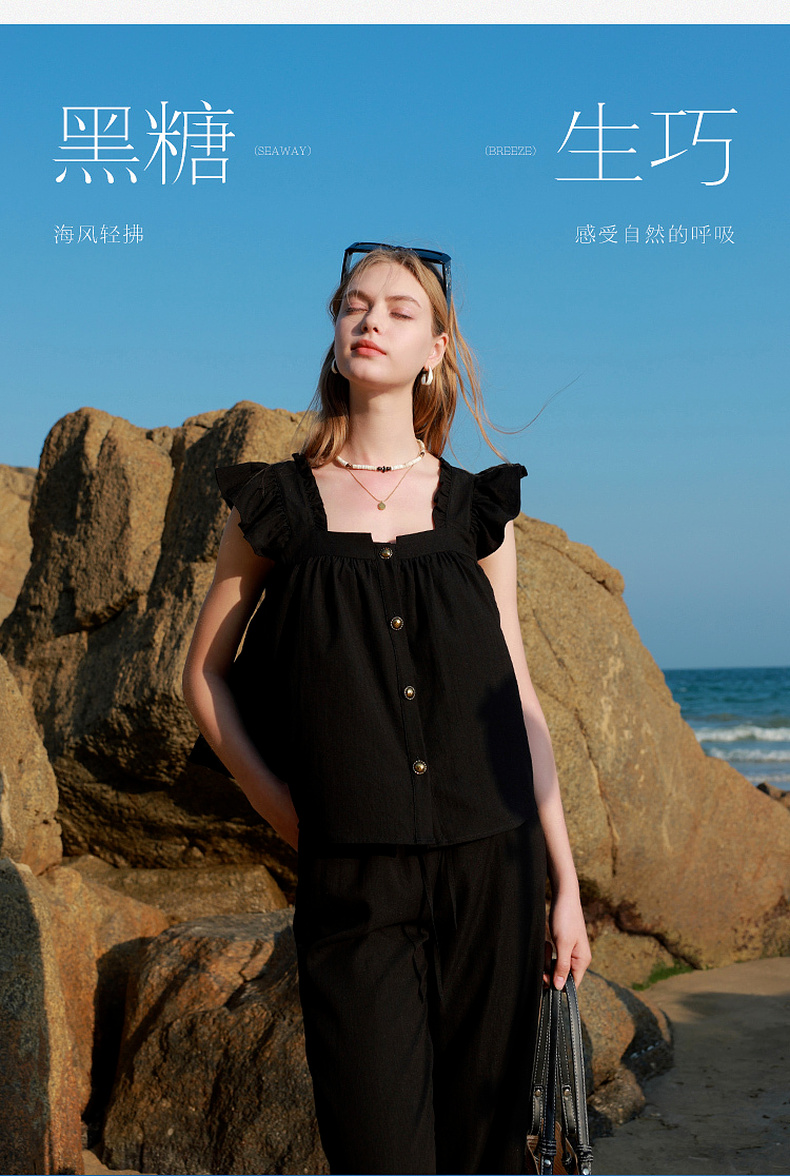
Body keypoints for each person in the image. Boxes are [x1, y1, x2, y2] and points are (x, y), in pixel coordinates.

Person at [182, 242, 591, 1175]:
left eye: (400, 311)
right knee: (377, 1147)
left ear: (436, 349)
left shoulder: (476, 512)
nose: (371, 321)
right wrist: (290, 815)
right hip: (352, 877)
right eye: (354, 305)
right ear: (334, 335)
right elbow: (203, 677)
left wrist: (565, 888)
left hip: (493, 862)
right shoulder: (275, 505)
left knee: (487, 1150)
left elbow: (518, 699)